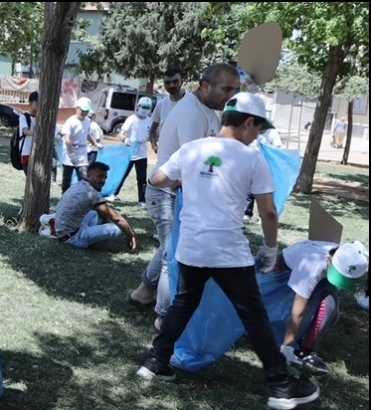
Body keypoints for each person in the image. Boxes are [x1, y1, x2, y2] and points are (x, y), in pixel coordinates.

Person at [136, 92, 320, 410]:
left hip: (191, 248)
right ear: (248, 122)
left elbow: (157, 177)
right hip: (227, 252)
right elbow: (268, 212)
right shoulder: (252, 158)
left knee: (183, 303)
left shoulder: (192, 149)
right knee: (254, 314)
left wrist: (184, 184)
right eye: (258, 128)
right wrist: (270, 247)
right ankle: (280, 386)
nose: (258, 135)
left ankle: (154, 362)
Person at [127, 63, 239, 333]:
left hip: (178, 192)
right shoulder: (192, 114)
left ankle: (143, 292)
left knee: (169, 247)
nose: (230, 95)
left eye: (234, 89)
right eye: (226, 89)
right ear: (205, 86)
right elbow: (191, 167)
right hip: (166, 192)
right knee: (173, 255)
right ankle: (164, 319)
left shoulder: (209, 112)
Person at [277, 240, 368, 374]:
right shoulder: (311, 267)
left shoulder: (352, 258)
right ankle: (305, 351)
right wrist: (287, 348)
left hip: (320, 274)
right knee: (329, 305)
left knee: (333, 316)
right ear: (330, 260)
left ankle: (306, 340)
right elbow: (298, 311)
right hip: (286, 274)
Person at [54, 161, 137, 251]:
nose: (103, 181)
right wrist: (131, 235)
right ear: (88, 176)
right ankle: (88, 241)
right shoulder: (91, 194)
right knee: (116, 228)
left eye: (105, 177)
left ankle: (93, 238)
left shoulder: (79, 185)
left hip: (61, 232)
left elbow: (104, 211)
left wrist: (106, 220)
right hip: (72, 237)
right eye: (99, 176)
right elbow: (116, 218)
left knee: (93, 212)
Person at [107, 96, 153, 207]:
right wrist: (125, 139)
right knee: (122, 174)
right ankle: (113, 193)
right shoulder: (131, 119)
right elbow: (121, 133)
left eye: (147, 108)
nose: (145, 109)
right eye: (143, 107)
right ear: (138, 107)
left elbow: (151, 135)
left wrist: (146, 139)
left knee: (141, 179)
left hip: (141, 155)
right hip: (129, 154)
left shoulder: (149, 121)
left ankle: (142, 200)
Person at [60, 97, 99, 193]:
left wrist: (95, 143)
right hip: (70, 154)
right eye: (82, 111)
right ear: (77, 108)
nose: (84, 113)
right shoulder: (71, 121)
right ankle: (65, 196)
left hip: (82, 154)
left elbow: (87, 134)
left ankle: (82, 197)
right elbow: (67, 139)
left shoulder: (87, 121)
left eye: (86, 111)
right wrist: (72, 154)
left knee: (84, 178)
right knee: (67, 179)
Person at [244, 127, 283, 221]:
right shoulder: (253, 132)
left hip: (266, 167)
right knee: (249, 191)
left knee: (264, 192)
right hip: (251, 166)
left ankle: (263, 216)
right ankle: (247, 213)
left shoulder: (272, 133)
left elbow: (277, 148)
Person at [149, 68, 190, 154]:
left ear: (182, 81)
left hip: (187, 157)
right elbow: (152, 129)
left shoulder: (193, 102)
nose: (171, 85)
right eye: (167, 82)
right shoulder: (161, 105)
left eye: (175, 81)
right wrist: (154, 146)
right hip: (165, 159)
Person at [19, 90, 38, 175]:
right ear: (30, 102)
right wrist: (39, 134)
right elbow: (25, 131)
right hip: (26, 154)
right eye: (37, 102)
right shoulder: (24, 117)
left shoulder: (41, 118)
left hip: (38, 154)